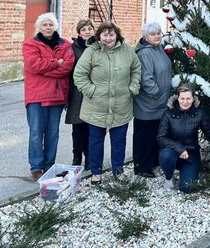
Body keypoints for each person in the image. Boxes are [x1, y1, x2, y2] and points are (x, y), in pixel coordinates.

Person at [73, 21, 141, 184]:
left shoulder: (127, 51)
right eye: (105, 34)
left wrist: (132, 88)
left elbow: (136, 69)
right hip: (96, 105)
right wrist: (91, 91)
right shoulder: (91, 51)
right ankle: (96, 172)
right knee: (96, 140)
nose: (108, 38)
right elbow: (79, 75)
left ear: (117, 35)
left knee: (119, 140)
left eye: (111, 34)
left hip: (121, 104)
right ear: (99, 36)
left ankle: (118, 170)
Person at [22, 12, 74, 181]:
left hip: (57, 95)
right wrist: (55, 63)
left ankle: (49, 165)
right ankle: (36, 167)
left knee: (53, 133)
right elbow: (33, 65)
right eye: (44, 25)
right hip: (36, 96)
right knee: (36, 133)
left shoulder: (65, 45)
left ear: (55, 27)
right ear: (39, 27)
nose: (48, 27)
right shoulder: (30, 45)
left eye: (51, 24)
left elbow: (67, 66)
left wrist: (47, 70)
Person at [157, 84, 210, 193]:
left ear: (193, 98)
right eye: (182, 98)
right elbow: (161, 138)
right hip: (172, 151)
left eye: (188, 98)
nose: (185, 101)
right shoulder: (168, 113)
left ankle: (186, 171)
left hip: (190, 154)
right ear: (177, 98)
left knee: (187, 188)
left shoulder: (199, 113)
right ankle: (169, 178)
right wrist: (179, 148)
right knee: (166, 155)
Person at [133, 22, 173, 178]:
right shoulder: (144, 53)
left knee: (156, 135)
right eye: (153, 34)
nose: (157, 36)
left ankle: (153, 162)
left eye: (158, 33)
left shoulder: (159, 49)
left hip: (161, 104)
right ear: (145, 37)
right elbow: (146, 79)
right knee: (145, 136)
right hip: (148, 105)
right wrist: (158, 94)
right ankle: (141, 167)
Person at [64, 18, 94, 169]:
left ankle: (90, 158)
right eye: (84, 29)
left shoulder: (98, 47)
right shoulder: (72, 48)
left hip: (93, 93)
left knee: (91, 128)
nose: (87, 32)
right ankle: (77, 157)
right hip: (77, 93)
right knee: (78, 128)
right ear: (79, 33)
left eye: (89, 29)